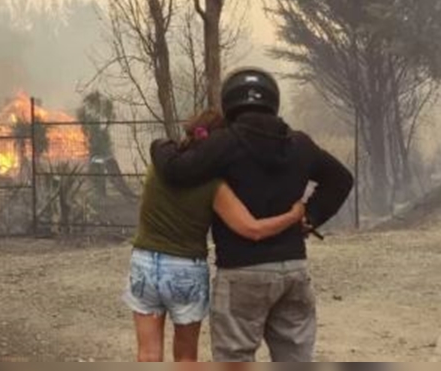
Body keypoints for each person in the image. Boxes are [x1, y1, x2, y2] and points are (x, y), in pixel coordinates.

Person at [150, 67, 354, 362]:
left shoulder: (225, 143)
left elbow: (177, 171)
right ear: (274, 100)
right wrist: (310, 215)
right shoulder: (300, 144)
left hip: (240, 272)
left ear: (230, 102)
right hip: (293, 269)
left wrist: (161, 145)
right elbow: (341, 179)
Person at [126, 108, 307, 362]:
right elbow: (252, 229)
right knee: (186, 356)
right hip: (185, 271)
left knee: (147, 353)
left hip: (143, 264)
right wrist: (293, 215)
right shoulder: (214, 186)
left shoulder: (157, 169)